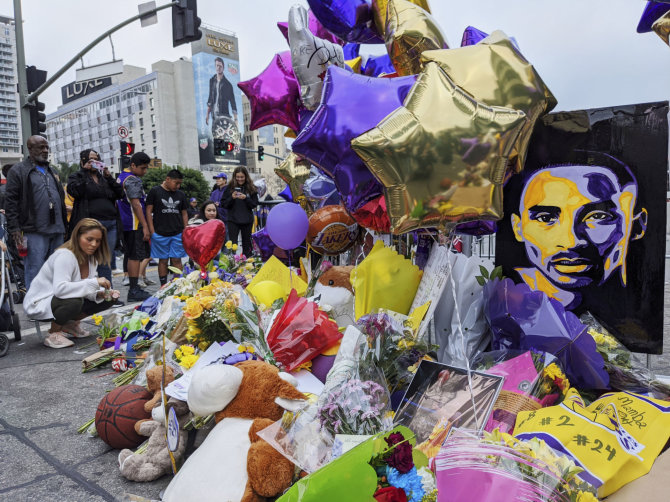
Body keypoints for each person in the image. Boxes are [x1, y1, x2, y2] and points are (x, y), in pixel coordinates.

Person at [510, 151, 647, 310]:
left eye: (597, 216)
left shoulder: (635, 307)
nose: (570, 242)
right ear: (518, 228)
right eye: (545, 218)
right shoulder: (506, 296)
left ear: (636, 225)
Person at [24, 218, 117, 349]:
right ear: (77, 237)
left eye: (98, 240)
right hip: (40, 302)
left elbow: (83, 287)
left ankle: (70, 324)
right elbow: (60, 290)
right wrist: (95, 282)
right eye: (89, 239)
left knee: (108, 299)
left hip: (60, 299)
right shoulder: (65, 255)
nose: (94, 244)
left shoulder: (91, 259)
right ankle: (53, 334)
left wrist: (100, 294)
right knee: (74, 300)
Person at [5, 135, 67, 290]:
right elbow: (10, 202)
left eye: (47, 147)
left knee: (56, 269)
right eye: (41, 147)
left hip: (57, 228)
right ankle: (36, 305)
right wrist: (14, 228)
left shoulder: (52, 171)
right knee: (35, 269)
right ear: (30, 149)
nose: (45, 150)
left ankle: (53, 304)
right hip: (34, 230)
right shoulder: (18, 170)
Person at [66, 149, 124, 286]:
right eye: (90, 159)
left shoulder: (104, 178)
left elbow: (120, 193)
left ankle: (108, 293)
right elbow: (74, 191)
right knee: (86, 259)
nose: (94, 162)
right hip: (90, 224)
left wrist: (109, 176)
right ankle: (84, 292)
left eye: (96, 159)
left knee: (105, 259)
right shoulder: (77, 176)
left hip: (109, 223)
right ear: (83, 161)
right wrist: (85, 172)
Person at [118, 152, 152, 302]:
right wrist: (145, 226)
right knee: (134, 256)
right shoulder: (133, 180)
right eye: (143, 168)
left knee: (132, 255)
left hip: (125, 222)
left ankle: (134, 288)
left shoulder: (121, 176)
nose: (145, 172)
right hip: (133, 223)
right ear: (133, 165)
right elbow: (136, 204)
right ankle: (133, 289)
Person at [145, 169, 188, 286]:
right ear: (168, 179)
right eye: (176, 183)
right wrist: (152, 231)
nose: (178, 186)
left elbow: (184, 213)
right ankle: (163, 286)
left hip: (177, 232)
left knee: (177, 260)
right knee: (163, 260)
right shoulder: (155, 191)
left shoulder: (181, 194)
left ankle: (178, 285)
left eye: (180, 183)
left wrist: (185, 230)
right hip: (159, 233)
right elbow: (148, 211)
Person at [222, 166, 258, 257]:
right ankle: (233, 264)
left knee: (247, 244)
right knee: (232, 245)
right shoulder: (229, 188)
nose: (240, 179)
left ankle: (249, 264)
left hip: (247, 220)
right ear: (234, 176)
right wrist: (232, 198)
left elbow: (254, 204)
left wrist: (246, 198)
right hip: (233, 220)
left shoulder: (251, 187)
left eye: (242, 177)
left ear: (246, 176)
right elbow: (224, 204)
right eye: (238, 177)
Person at [206, 57, 237, 128]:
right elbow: (210, 98)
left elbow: (233, 103)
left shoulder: (228, 85)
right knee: (215, 137)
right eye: (217, 65)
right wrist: (207, 115)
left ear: (223, 67)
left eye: (220, 66)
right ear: (215, 66)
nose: (218, 67)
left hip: (224, 116)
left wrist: (236, 120)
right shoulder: (212, 81)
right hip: (214, 115)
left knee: (223, 137)